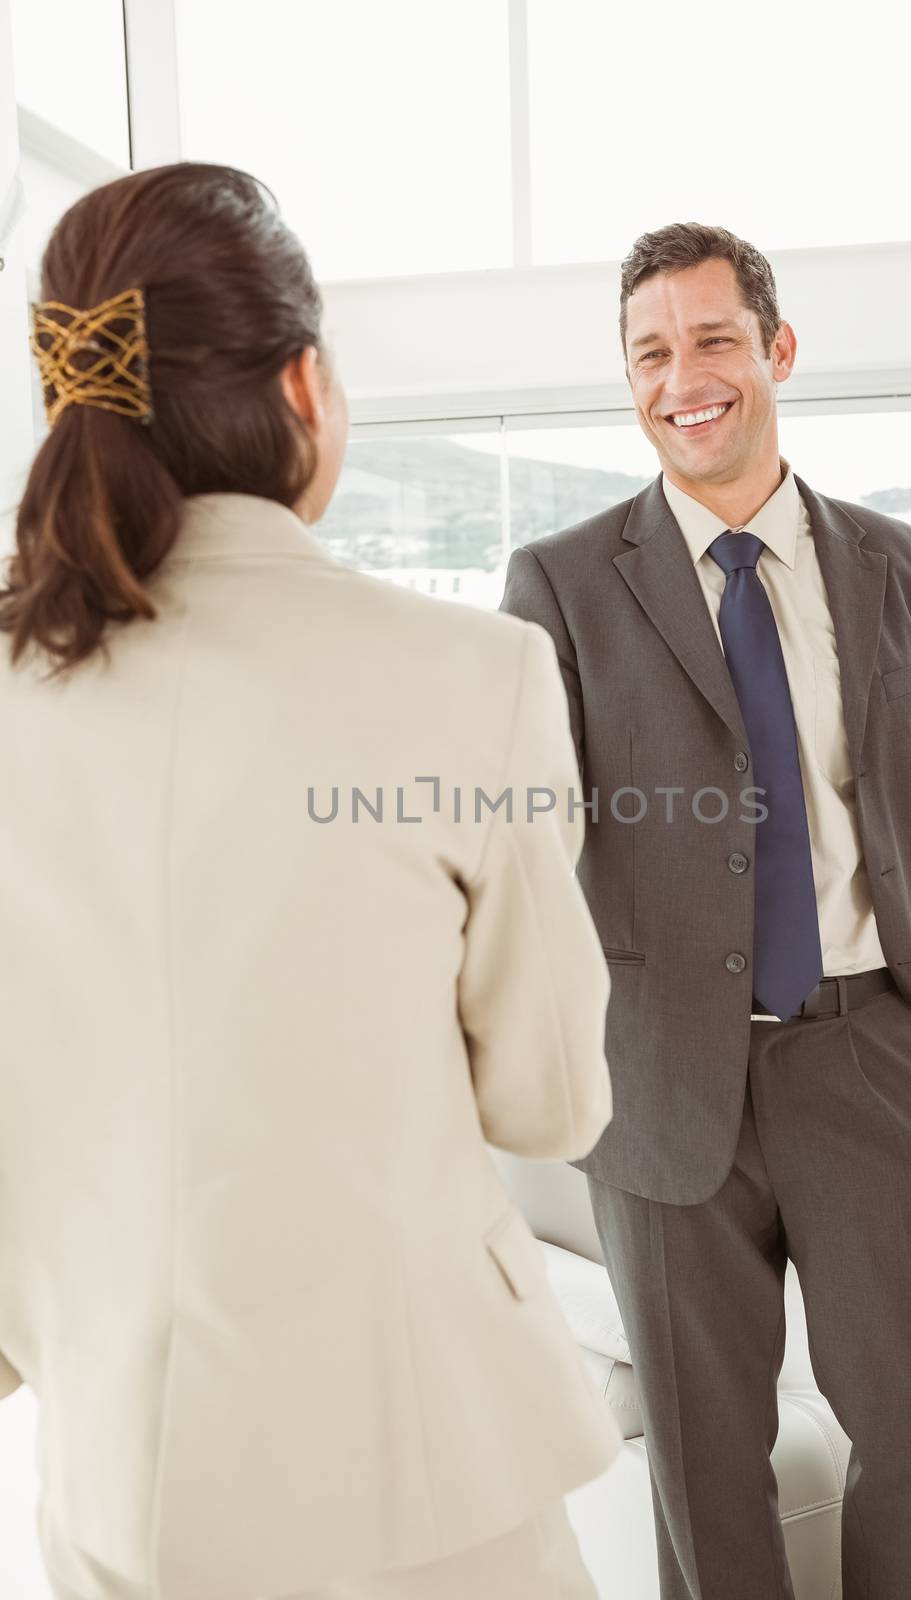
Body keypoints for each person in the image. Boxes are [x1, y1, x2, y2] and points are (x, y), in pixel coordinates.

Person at [0, 162, 622, 1600]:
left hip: (120, 1489)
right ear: (303, 387)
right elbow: (553, 1099)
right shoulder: (475, 675)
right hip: (422, 1478)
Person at [499, 221, 911, 1600]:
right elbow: (525, 844)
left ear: (777, 351)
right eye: (651, 354)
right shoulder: (557, 582)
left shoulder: (902, 568)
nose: (686, 379)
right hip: (661, 1089)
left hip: (870, 1058)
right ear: (630, 380)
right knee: (704, 1470)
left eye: (714, 340)